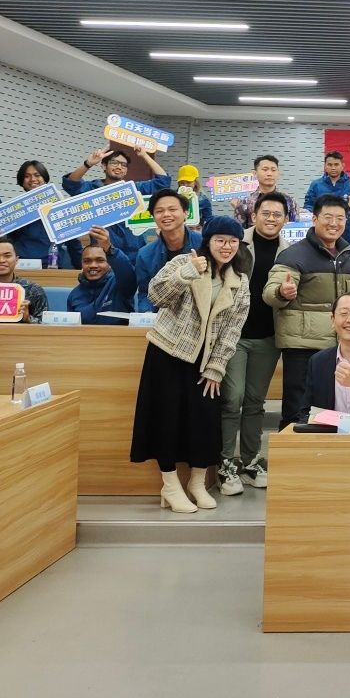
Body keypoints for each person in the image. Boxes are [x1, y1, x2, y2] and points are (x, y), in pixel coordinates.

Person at [130, 217, 250, 514]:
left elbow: (232, 329)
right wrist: (187, 273)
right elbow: (156, 295)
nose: (227, 246)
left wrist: (217, 366)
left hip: (205, 360)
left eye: (233, 241)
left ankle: (197, 483)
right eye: (220, 240)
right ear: (208, 241)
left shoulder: (240, 280)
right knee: (166, 420)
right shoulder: (185, 261)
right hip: (168, 352)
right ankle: (170, 486)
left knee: (204, 421)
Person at [265, 195, 350, 428]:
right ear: (315, 219)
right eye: (328, 217)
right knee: (297, 412)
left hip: (336, 346)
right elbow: (269, 294)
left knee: (329, 411)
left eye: (340, 218)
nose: (334, 223)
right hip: (302, 346)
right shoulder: (293, 255)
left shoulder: (348, 258)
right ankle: (288, 450)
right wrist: (282, 291)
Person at [217, 191, 289, 495]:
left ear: (285, 219)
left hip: (268, 337)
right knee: (232, 398)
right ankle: (225, 462)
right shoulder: (236, 243)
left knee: (255, 402)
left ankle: (249, 460)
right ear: (254, 215)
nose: (271, 219)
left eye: (277, 215)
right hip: (234, 336)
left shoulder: (290, 252)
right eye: (266, 213)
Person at [64, 146, 170, 264]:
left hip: (134, 253)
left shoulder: (134, 189)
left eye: (124, 165)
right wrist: (88, 164)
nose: (119, 167)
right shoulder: (93, 189)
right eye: (114, 163)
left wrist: (144, 155)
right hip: (103, 254)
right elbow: (71, 184)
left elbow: (163, 181)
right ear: (104, 166)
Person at [134, 188, 202, 312]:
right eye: (159, 211)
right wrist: (147, 314)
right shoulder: (145, 255)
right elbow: (145, 293)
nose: (166, 214)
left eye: (172, 209)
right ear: (153, 217)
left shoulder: (204, 244)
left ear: (185, 213)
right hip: (162, 316)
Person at [68, 227, 136, 324]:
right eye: (87, 261)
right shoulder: (74, 294)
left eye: (100, 260)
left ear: (109, 263)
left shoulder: (119, 284)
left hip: (117, 334)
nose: (93, 265)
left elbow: (127, 272)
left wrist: (109, 249)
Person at [0, 237, 47, 322]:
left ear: (16, 260)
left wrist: (27, 318)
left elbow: (45, 323)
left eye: (7, 256)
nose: (1, 260)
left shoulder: (33, 290)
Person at [7, 160, 54, 263]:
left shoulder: (57, 203)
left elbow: (71, 238)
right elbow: (9, 237)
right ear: (22, 181)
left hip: (53, 262)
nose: (33, 179)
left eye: (37, 175)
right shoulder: (15, 208)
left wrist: (78, 263)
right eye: (27, 176)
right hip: (24, 262)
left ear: (44, 178)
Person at [232, 154, 299, 228]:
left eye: (273, 170)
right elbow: (239, 232)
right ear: (255, 173)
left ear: (278, 173)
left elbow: (295, 228)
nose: (269, 174)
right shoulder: (244, 203)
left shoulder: (289, 201)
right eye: (265, 169)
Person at [175, 164, 214, 229]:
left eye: (189, 182)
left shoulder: (203, 199)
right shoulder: (173, 196)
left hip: (194, 230)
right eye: (182, 183)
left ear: (195, 182)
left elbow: (208, 219)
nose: (185, 185)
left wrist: (199, 226)